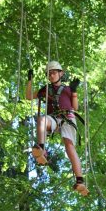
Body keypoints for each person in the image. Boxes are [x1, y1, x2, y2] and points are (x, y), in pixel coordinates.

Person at [25, 61, 89, 196]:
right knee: (42, 119)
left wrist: (74, 91)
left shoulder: (67, 89)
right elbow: (29, 96)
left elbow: (75, 107)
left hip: (67, 118)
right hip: (53, 118)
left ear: (61, 73)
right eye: (49, 74)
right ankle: (41, 149)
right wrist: (29, 80)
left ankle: (80, 180)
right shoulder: (45, 89)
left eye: (53, 73)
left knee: (69, 147)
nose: (51, 75)